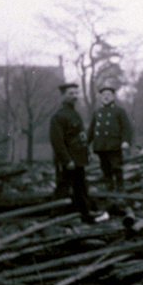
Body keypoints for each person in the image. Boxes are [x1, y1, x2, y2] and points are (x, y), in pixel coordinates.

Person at [49, 83, 95, 224]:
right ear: (63, 96)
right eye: (71, 93)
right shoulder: (58, 116)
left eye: (76, 93)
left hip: (78, 159)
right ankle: (55, 217)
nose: (75, 96)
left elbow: (81, 136)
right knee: (63, 188)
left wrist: (88, 153)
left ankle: (85, 216)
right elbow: (57, 142)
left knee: (81, 188)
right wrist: (67, 160)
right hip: (68, 161)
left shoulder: (75, 114)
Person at [88, 83, 134, 192]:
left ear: (113, 96)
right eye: (103, 94)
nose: (106, 96)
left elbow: (127, 128)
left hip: (114, 145)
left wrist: (126, 141)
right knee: (105, 168)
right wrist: (86, 143)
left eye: (109, 94)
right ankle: (109, 187)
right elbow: (91, 129)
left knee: (116, 167)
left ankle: (120, 187)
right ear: (100, 97)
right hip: (101, 145)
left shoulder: (119, 111)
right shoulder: (97, 112)